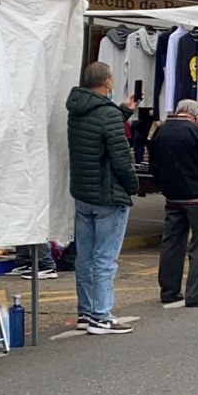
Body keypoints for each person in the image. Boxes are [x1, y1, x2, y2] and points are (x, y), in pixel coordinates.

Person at [65, 61, 139, 335]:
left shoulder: (77, 109)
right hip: (108, 193)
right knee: (105, 258)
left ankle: (86, 312)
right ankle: (101, 315)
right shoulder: (106, 113)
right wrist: (132, 185)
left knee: (85, 256)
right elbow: (120, 157)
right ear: (107, 82)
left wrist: (124, 111)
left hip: (83, 192)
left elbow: (96, 131)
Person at [150, 99, 198, 309]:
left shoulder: (161, 132)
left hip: (172, 194)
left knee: (172, 242)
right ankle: (194, 292)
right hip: (197, 196)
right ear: (197, 115)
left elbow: (153, 164)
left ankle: (169, 290)